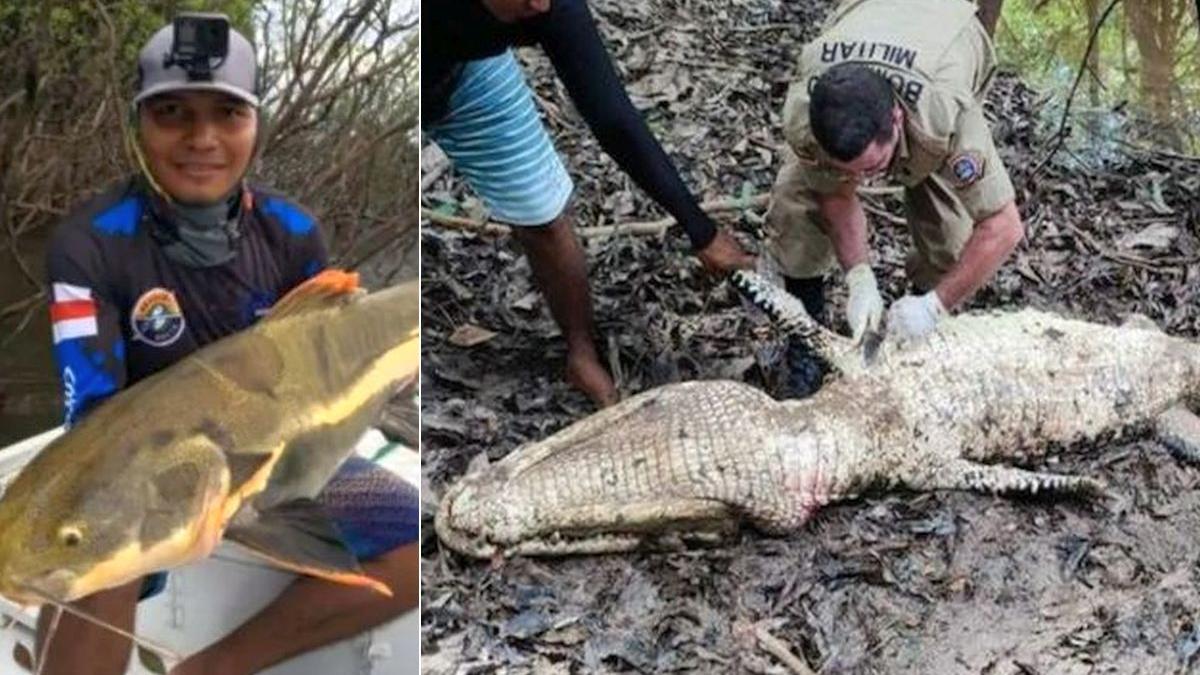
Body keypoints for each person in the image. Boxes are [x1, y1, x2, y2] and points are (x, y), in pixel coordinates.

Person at [36, 16, 418, 675]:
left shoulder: (292, 229)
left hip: (277, 460)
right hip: (152, 471)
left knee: (415, 547)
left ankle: (216, 666)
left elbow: (320, 362)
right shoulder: (90, 245)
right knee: (94, 557)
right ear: (139, 125)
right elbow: (92, 424)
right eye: (173, 113)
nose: (201, 139)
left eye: (227, 114)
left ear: (255, 124)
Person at [423, 0, 756, 407]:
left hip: (466, 77)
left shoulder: (549, 7)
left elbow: (612, 117)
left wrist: (701, 231)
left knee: (542, 214)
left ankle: (581, 352)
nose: (538, 4)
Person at [765, 0, 1025, 393]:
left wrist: (934, 305)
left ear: (896, 120)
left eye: (870, 169)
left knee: (949, 235)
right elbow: (834, 194)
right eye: (846, 169)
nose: (861, 183)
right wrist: (859, 277)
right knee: (796, 203)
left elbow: (1003, 228)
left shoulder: (942, 114)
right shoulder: (805, 113)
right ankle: (807, 338)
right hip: (873, 12)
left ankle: (916, 331)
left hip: (944, 31)